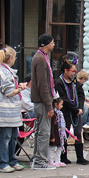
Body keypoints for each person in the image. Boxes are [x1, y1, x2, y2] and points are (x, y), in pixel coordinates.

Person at [0, 46, 25, 173]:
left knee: (13, 136)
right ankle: (3, 163)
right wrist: (21, 88)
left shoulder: (6, 71)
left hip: (11, 110)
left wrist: (18, 86)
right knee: (5, 137)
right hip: (6, 111)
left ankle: (12, 160)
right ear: (10, 58)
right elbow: (8, 91)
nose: (15, 59)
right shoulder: (3, 71)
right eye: (14, 57)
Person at [31, 34, 56, 169]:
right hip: (42, 101)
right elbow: (43, 85)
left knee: (40, 131)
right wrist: (49, 106)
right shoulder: (40, 59)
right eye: (52, 43)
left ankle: (36, 159)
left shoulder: (40, 57)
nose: (53, 45)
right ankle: (41, 161)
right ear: (46, 44)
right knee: (45, 132)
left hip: (40, 101)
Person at [54, 58, 84, 165]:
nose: (74, 74)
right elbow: (64, 99)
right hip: (66, 111)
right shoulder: (59, 82)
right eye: (72, 71)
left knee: (78, 133)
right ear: (65, 70)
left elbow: (81, 95)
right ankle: (63, 157)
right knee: (64, 133)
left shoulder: (75, 82)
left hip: (77, 111)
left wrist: (80, 108)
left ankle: (80, 157)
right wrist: (74, 109)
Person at [48, 97, 67, 167]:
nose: (62, 106)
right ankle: (50, 161)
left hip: (60, 133)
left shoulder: (60, 113)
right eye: (61, 104)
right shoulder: (53, 114)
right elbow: (52, 125)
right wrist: (52, 136)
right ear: (56, 104)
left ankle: (57, 160)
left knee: (60, 147)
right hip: (55, 132)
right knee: (52, 147)